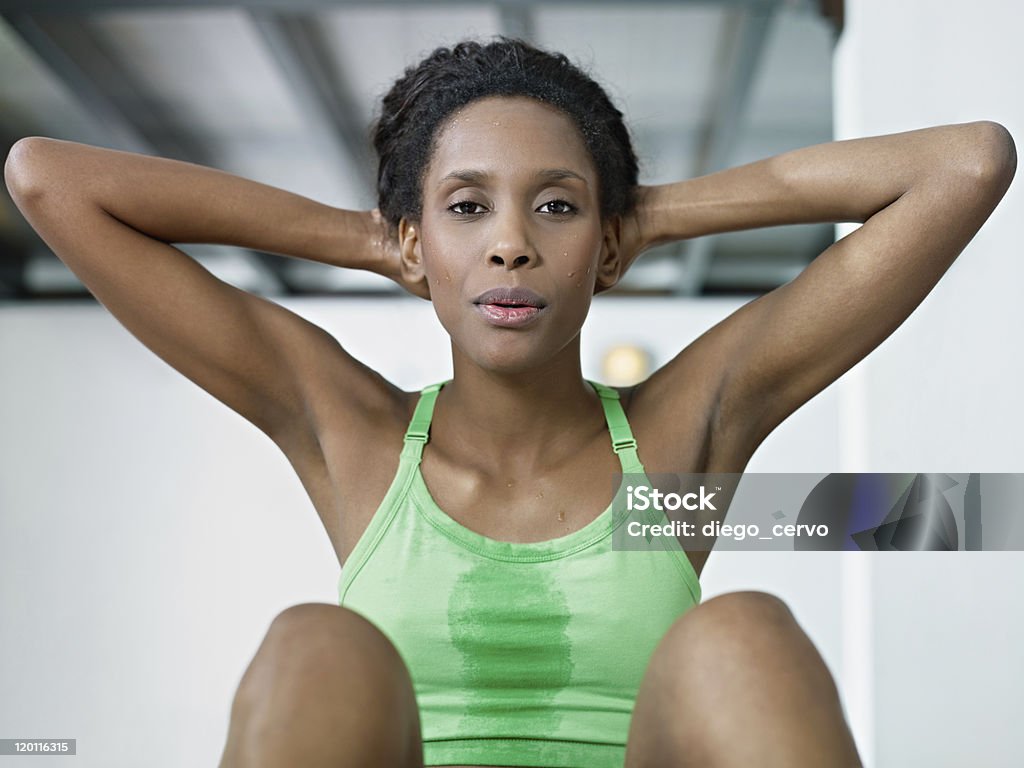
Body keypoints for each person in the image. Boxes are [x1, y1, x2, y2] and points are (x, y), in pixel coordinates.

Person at [3, 36, 1015, 768]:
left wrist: (642, 215)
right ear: (416, 244)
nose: (510, 243)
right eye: (465, 207)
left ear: (604, 244)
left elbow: (964, 164)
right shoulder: (355, 440)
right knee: (317, 640)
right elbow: (48, 180)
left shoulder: (663, 465)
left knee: (742, 630)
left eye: (557, 207)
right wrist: (367, 237)